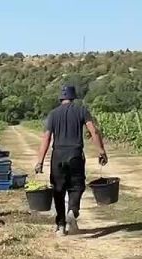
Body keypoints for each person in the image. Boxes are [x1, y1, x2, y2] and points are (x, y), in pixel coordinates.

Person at [33, 85, 108, 236]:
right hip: (75, 154)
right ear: (73, 97)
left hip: (58, 156)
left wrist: (40, 161)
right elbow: (93, 130)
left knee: (58, 190)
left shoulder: (53, 114)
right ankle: (72, 211)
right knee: (77, 186)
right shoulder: (81, 111)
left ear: (60, 98)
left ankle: (60, 226)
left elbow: (46, 138)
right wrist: (101, 151)